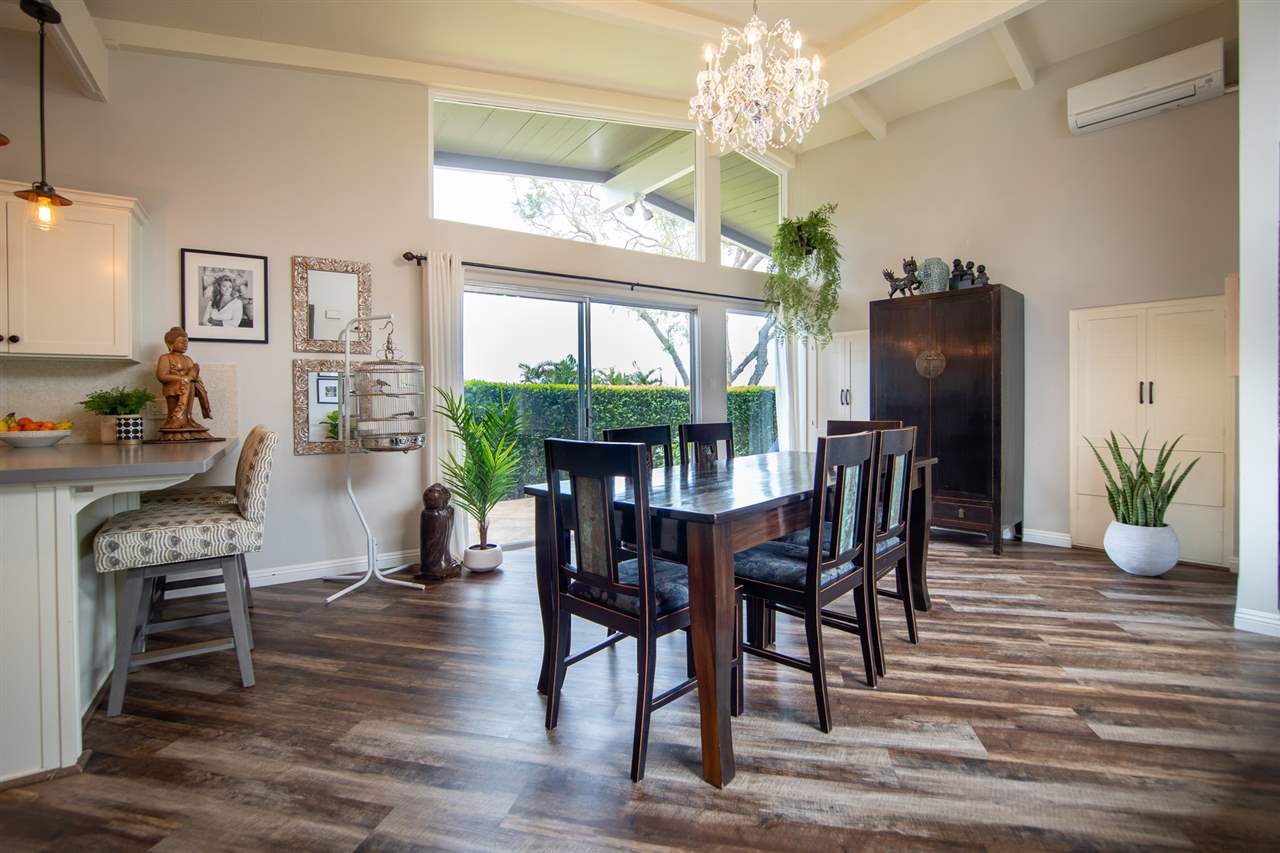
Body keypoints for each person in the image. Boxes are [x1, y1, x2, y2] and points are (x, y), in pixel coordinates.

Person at [156, 326, 212, 432]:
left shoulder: (188, 359)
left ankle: (188, 418)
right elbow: (161, 376)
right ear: (170, 344)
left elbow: (193, 376)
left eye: (187, 342)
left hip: (188, 387)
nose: (185, 345)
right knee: (173, 411)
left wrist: (195, 378)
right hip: (173, 389)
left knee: (190, 384)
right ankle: (174, 420)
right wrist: (183, 378)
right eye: (182, 342)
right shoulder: (165, 358)